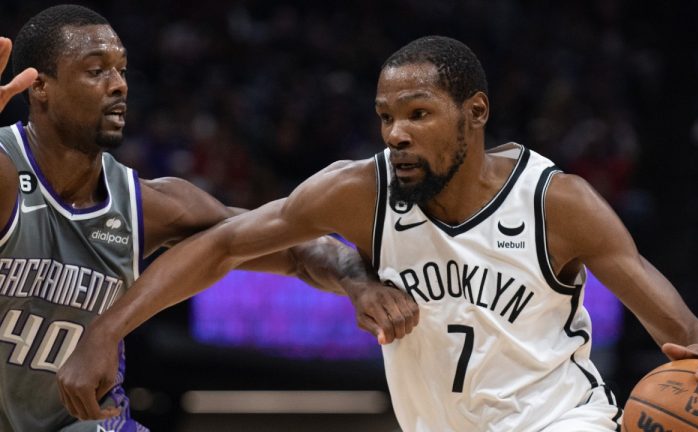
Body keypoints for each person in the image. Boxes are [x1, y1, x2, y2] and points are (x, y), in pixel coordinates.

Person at [58, 35, 698, 430]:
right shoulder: (358, 190)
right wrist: (104, 331)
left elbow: (682, 332)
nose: (396, 133)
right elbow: (221, 243)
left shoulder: (560, 203)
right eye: (385, 116)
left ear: (475, 113)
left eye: (419, 114)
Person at [0, 5, 419, 432]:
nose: (119, 86)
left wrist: (358, 282)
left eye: (121, 69)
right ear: (40, 88)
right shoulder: (7, 174)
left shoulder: (146, 203)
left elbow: (288, 248)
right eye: (96, 71)